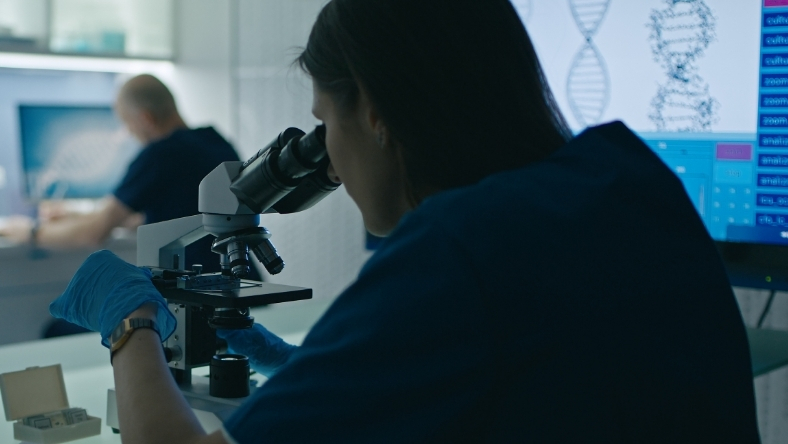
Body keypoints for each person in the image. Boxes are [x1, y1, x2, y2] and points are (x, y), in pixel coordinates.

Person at [47, 1, 760, 443]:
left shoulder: (458, 247)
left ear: (379, 113)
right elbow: (536, 381)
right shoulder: (625, 179)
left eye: (326, 125)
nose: (329, 159)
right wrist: (318, 374)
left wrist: (130, 319)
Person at [0, 74, 240, 273]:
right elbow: (172, 216)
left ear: (146, 119)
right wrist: (73, 214)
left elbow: (92, 234)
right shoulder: (214, 140)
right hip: (239, 279)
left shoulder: (160, 154)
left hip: (198, 294)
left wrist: (26, 231)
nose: (128, 133)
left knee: (58, 327)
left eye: (128, 124)